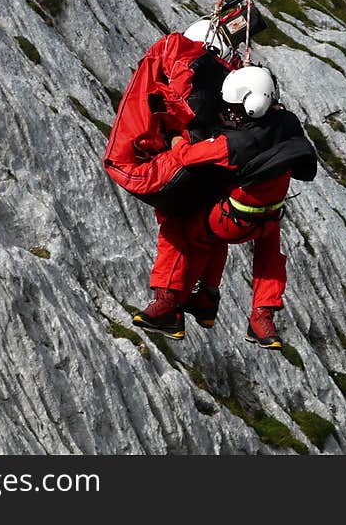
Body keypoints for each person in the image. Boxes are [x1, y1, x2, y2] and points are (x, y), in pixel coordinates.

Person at [132, 65, 318, 349]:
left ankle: (168, 305)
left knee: (178, 228)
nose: (227, 113)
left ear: (249, 108)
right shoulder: (287, 123)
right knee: (268, 258)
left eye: (233, 109)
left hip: (232, 221)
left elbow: (187, 156)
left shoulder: (235, 144)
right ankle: (260, 317)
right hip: (269, 218)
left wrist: (174, 136)